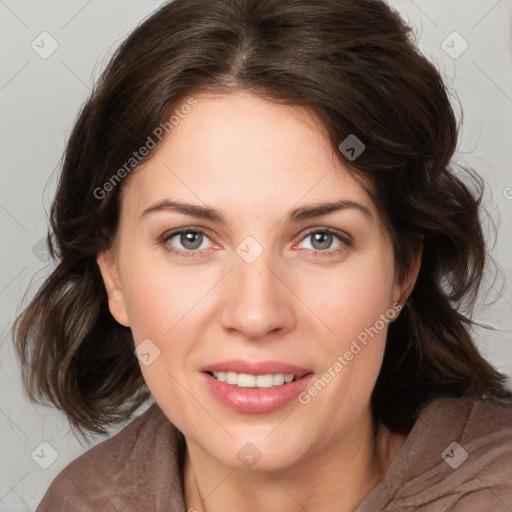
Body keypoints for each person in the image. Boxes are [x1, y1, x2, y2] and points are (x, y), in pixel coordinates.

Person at [12, 0, 512, 510]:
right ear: (113, 274)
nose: (255, 315)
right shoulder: (82, 502)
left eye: (321, 238)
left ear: (403, 270)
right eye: (189, 238)